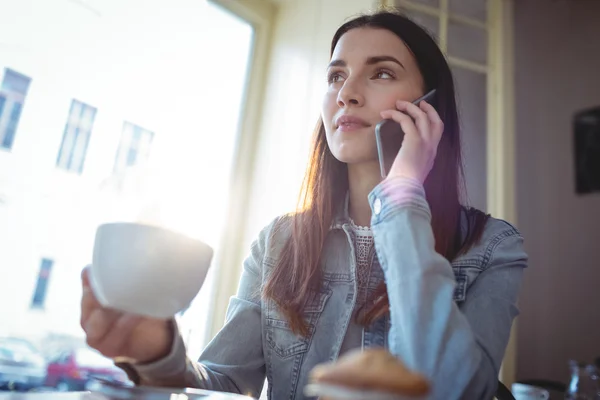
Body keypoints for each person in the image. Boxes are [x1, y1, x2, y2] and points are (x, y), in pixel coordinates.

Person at [80, 10, 528, 400]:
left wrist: (403, 191)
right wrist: (157, 352)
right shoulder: (277, 242)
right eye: (336, 75)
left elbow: (451, 390)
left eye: (382, 73)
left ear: (429, 108)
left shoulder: (493, 247)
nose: (346, 93)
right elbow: (225, 386)